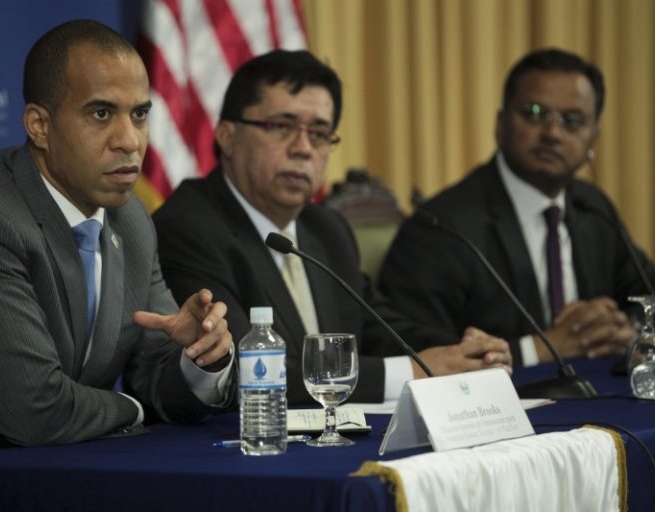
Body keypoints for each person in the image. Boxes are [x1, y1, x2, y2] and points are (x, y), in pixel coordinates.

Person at [0, 20, 234, 511]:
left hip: (62, 486)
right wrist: (134, 408)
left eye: (139, 114)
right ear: (40, 126)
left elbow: (156, 374)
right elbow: (34, 411)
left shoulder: (130, 219)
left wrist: (199, 361)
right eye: (101, 113)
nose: (129, 140)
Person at [153, 49, 512, 405]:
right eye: (281, 127)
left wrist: (463, 353)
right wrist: (413, 371)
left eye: (320, 133)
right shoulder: (188, 229)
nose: (303, 149)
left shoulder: (326, 229)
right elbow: (248, 370)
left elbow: (380, 329)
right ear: (227, 136)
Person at [378, 48, 655, 368]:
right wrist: (539, 348)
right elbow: (421, 352)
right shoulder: (441, 227)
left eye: (572, 121)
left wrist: (625, 327)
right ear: (501, 125)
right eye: (534, 113)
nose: (552, 133)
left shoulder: (592, 207)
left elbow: (645, 292)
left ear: (593, 139)